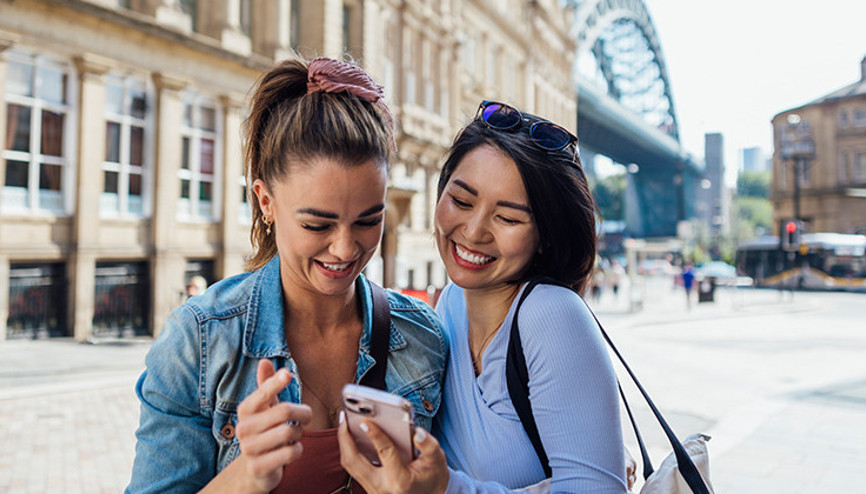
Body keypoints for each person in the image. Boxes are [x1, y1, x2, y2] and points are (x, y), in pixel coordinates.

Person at [126, 57, 447, 493]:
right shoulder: (200, 342)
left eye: (369, 220)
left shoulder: (423, 334)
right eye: (317, 225)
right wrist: (247, 475)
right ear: (266, 202)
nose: (345, 248)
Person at [339, 100, 628, 492]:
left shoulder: (551, 314)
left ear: (544, 236)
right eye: (461, 201)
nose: (474, 232)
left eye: (507, 218)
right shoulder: (451, 303)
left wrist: (444, 488)